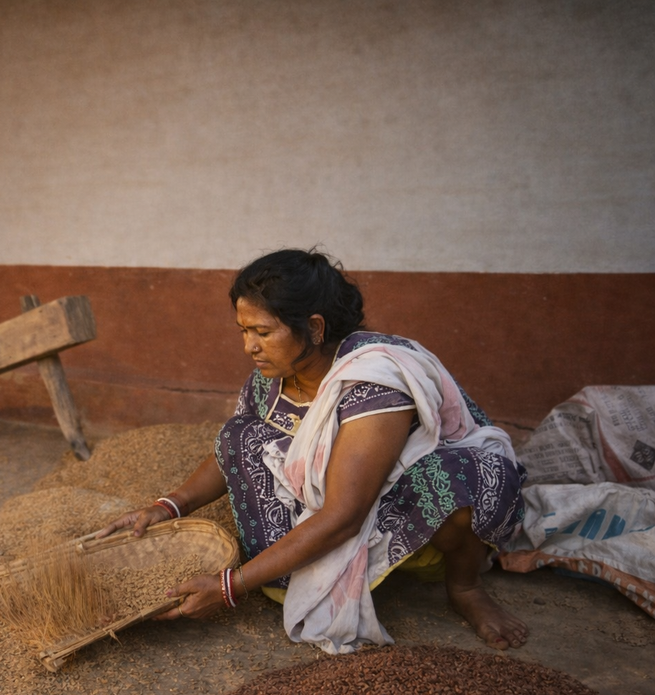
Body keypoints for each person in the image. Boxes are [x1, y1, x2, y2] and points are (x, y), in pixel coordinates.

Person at [98, 249, 528, 654]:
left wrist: (230, 587)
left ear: (316, 328)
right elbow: (228, 452)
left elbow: (343, 516)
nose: (249, 346)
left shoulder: (372, 382)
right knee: (243, 433)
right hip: (338, 509)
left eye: (263, 332)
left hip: (407, 512)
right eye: (244, 331)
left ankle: (465, 587)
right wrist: (169, 506)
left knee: (465, 480)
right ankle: (286, 568)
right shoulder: (272, 375)